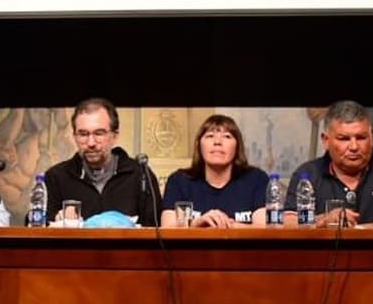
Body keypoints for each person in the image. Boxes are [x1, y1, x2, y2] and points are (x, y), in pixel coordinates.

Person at [285, 100, 373, 227]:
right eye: (344, 139)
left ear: (372, 137)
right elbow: (289, 222)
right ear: (326, 140)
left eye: (361, 138)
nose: (354, 147)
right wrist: (323, 220)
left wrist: (360, 231)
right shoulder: (308, 174)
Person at [43, 98, 161, 226]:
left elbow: (156, 229)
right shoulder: (56, 177)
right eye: (83, 134)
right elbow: (34, 223)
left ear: (115, 136)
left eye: (99, 133)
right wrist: (57, 218)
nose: (91, 143)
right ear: (74, 137)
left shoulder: (140, 175)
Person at [160, 114, 269, 228]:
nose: (217, 142)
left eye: (227, 136)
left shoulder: (257, 179)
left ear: (237, 146)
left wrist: (227, 225)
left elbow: (264, 229)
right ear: (199, 145)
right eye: (210, 136)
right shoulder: (179, 181)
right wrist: (197, 223)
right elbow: (167, 229)